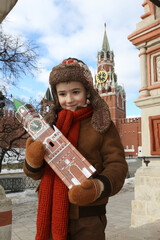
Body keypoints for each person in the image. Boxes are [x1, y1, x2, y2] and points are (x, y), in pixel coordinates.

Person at [24, 58, 128, 240]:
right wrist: (32, 161)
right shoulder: (49, 125)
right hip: (49, 214)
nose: (69, 99)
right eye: (62, 94)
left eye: (75, 92)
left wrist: (98, 186)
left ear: (87, 92)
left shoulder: (101, 125)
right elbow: (35, 173)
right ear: (56, 96)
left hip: (88, 217)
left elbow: (117, 166)